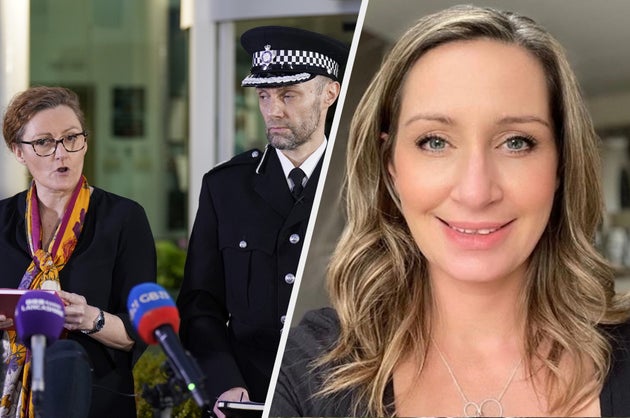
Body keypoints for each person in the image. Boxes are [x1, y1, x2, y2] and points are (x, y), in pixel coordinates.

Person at [270, 5, 630, 417]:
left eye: (516, 142)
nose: (476, 192)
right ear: (391, 168)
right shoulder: (310, 367)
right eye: (435, 142)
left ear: (561, 165)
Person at [176, 26, 348, 417]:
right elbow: (201, 305)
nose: (273, 110)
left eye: (289, 94)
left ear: (329, 94)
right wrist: (224, 382)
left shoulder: (360, 183)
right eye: (264, 96)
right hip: (251, 398)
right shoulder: (225, 188)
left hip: (342, 397)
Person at [0, 86, 156, 418]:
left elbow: (141, 330)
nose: (62, 153)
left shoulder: (124, 218)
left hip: (95, 400)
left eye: (72, 138)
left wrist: (89, 318)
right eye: (44, 142)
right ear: (18, 150)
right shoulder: (1, 219)